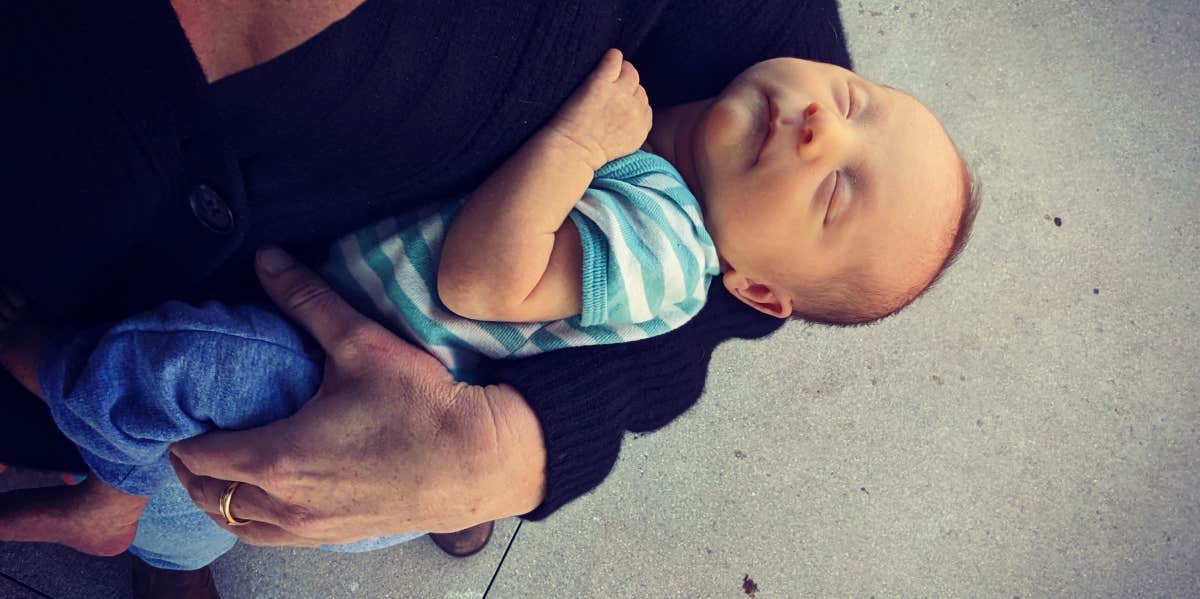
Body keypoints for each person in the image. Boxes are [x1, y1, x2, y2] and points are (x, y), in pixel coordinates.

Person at [0, 49, 979, 576]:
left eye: (836, 192)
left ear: (760, 291)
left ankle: (88, 457)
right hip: (356, 328)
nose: (821, 126)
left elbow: (482, 282)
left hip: (333, 380)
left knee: (169, 370)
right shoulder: (678, 159)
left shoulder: (668, 253)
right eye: (853, 98)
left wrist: (577, 141)